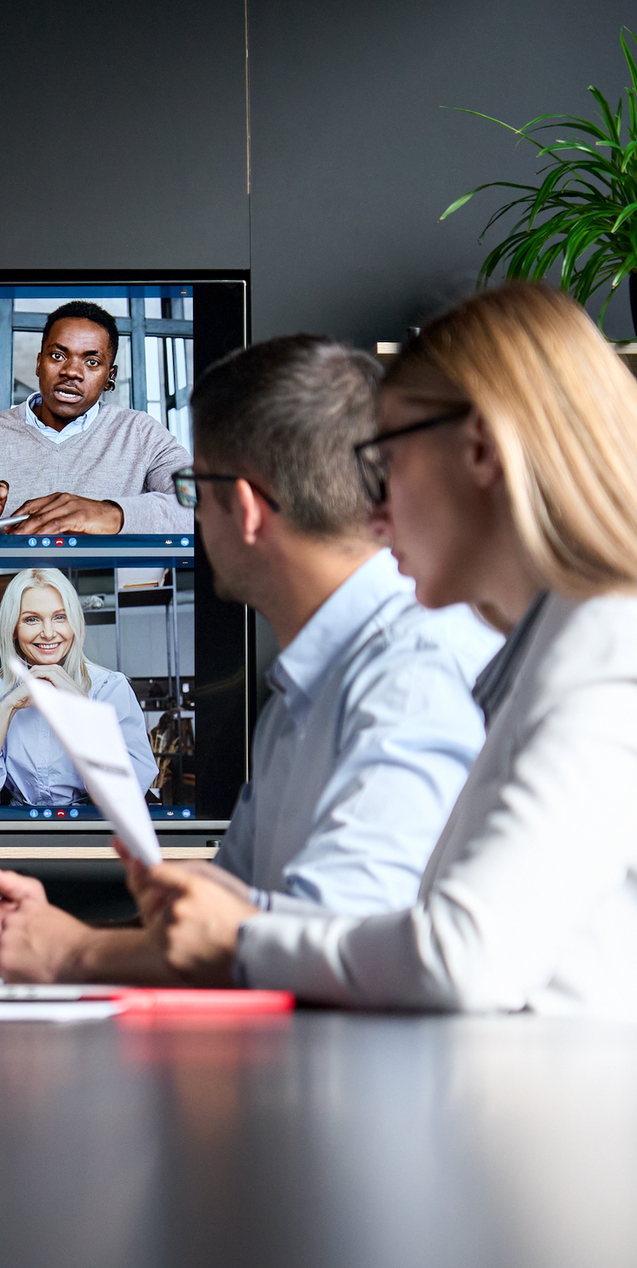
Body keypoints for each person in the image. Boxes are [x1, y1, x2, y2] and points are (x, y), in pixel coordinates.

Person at [121, 286, 637, 1016]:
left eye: (386, 458)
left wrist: (238, 937)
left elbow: (462, 956)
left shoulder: (607, 647)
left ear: (482, 449)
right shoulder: (549, 649)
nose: (376, 507)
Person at [0, 335, 499, 985]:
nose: (191, 513)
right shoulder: (305, 688)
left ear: (245, 508)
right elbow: (234, 918)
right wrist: (38, 932)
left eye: (193, 487)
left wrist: (70, 954)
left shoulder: (412, 675)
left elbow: (337, 949)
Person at [0, 301, 191, 536]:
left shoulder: (141, 433)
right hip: (16, 583)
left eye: (92, 362)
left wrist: (112, 513)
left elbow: (203, 505)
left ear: (109, 378)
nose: (71, 371)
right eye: (58, 356)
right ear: (39, 364)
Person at [0, 566, 159, 807]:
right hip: (21, 829)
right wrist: (6, 709)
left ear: (74, 624)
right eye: (31, 619)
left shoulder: (110, 688)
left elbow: (119, 799)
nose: (48, 633)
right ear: (13, 628)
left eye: (60, 617)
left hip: (94, 827)